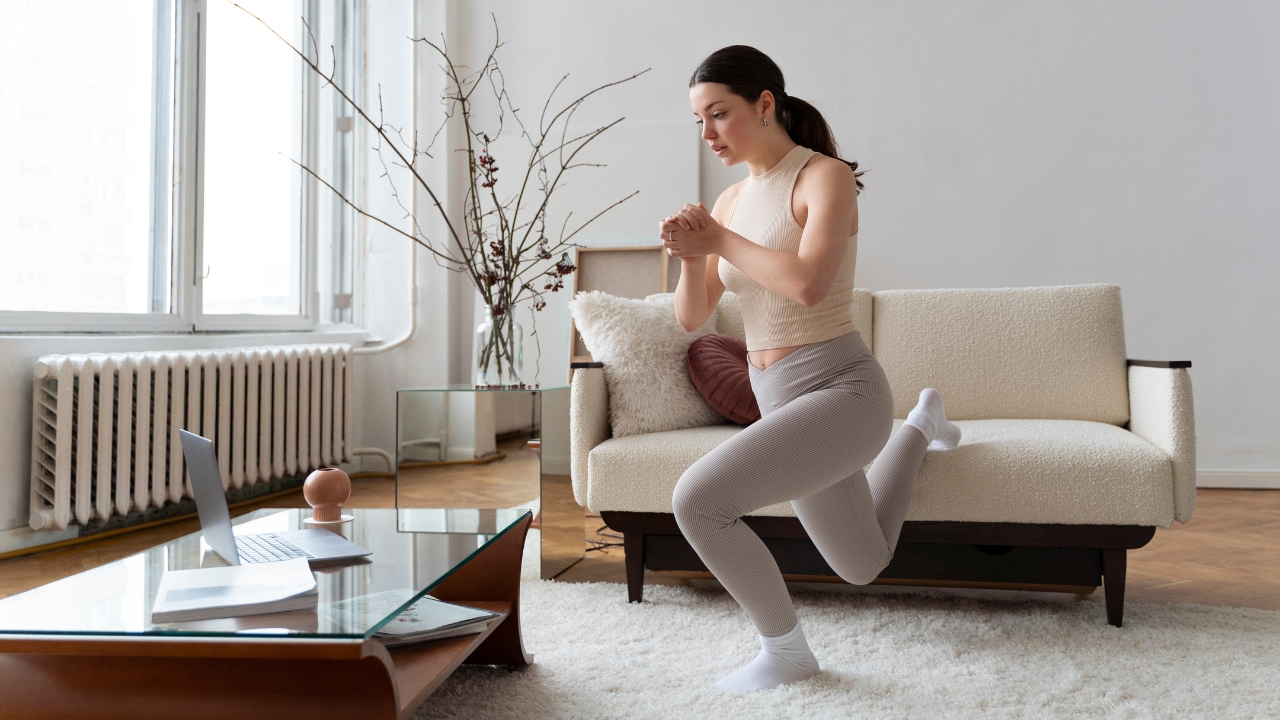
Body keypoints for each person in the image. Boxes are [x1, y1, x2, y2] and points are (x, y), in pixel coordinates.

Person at [660, 45, 962, 694]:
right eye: (698, 121)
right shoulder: (734, 199)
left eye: (719, 114)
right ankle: (921, 423)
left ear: (765, 104)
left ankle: (787, 653)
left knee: (699, 500)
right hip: (782, 399)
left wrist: (716, 240)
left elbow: (807, 284)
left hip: (841, 393)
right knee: (861, 563)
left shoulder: (822, 176)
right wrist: (692, 255)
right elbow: (694, 316)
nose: (708, 134)